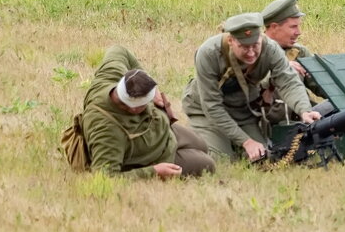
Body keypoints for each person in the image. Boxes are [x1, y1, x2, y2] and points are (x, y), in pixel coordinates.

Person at [182, 12, 321, 162]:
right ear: (231, 41)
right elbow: (211, 106)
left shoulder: (271, 49)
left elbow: (288, 81)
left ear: (261, 37)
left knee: (263, 158)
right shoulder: (209, 53)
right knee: (221, 160)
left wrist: (304, 110)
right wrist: (246, 142)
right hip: (204, 110)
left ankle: (232, 142)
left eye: (255, 45)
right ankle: (190, 140)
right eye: (244, 47)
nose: (251, 53)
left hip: (241, 110)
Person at [80, 45, 214, 179]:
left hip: (165, 131)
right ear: (134, 108)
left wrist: (153, 89)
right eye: (145, 104)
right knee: (208, 165)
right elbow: (104, 177)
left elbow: (119, 50)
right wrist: (153, 171)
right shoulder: (106, 132)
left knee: (203, 145)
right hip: (154, 156)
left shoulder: (109, 77)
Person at [261, 0, 327, 122]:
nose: (298, 32)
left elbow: (324, 86)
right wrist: (281, 68)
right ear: (274, 27)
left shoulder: (298, 52)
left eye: (298, 26)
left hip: (303, 120)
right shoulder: (250, 52)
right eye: (293, 27)